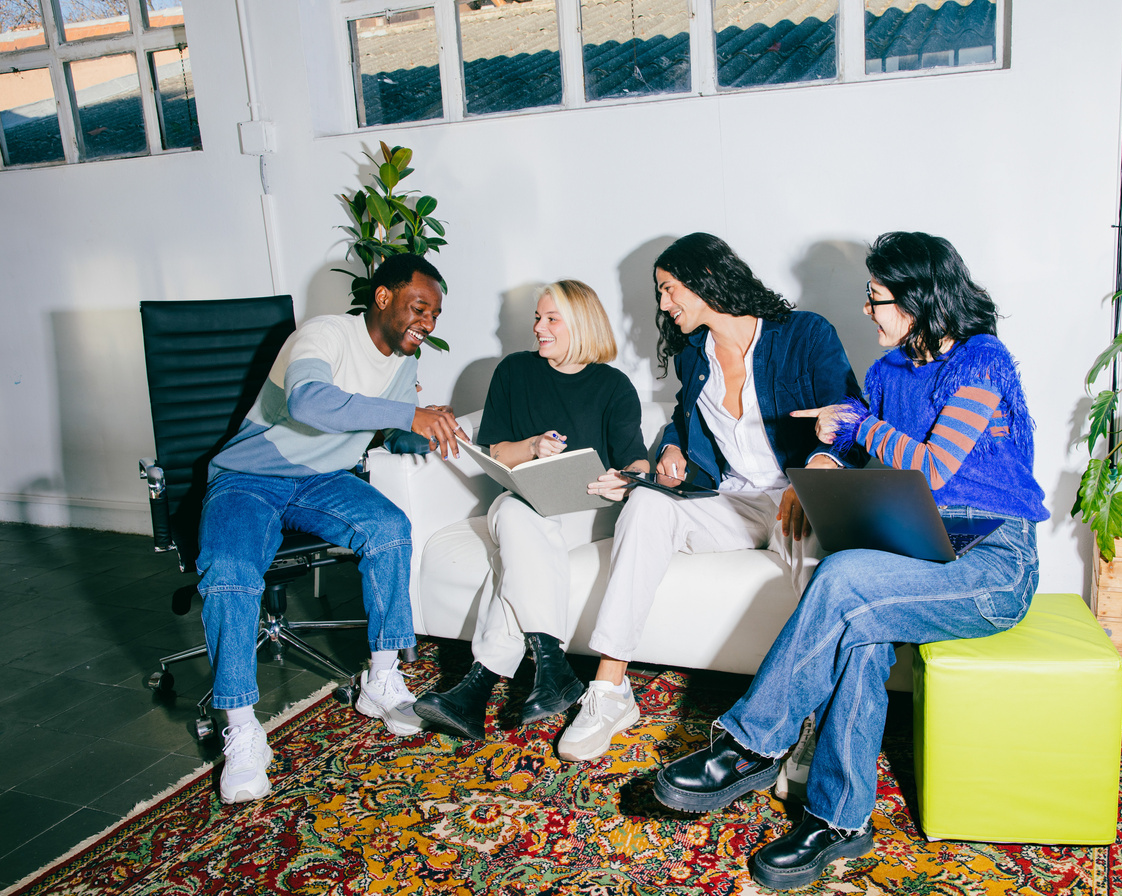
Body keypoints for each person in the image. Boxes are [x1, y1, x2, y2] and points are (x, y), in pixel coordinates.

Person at [653, 231, 1049, 891]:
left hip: (992, 565)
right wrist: (833, 455)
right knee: (859, 633)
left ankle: (752, 743)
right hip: (921, 544)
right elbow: (874, 455)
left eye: (878, 300)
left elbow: (933, 466)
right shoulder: (889, 372)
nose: (867, 312)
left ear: (920, 300)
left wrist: (857, 427)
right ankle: (837, 821)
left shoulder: (982, 362)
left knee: (843, 581)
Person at [555, 232, 862, 763]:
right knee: (646, 504)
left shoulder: (804, 335)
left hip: (799, 499)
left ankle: (809, 717)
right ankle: (609, 691)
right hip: (737, 502)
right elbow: (682, 417)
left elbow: (850, 414)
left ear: (708, 281)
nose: (663, 305)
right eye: (660, 293)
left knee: (820, 560)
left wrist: (815, 471)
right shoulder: (695, 354)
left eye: (669, 289)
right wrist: (672, 448)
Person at [197, 253, 468, 804]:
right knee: (229, 570)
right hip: (250, 478)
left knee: (389, 529)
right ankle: (242, 728)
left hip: (321, 480)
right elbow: (310, 401)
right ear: (383, 297)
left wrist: (426, 432)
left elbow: (379, 426)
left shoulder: (403, 360)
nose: (428, 324)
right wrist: (402, 417)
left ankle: (383, 679)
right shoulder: (323, 334)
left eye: (436, 315)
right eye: (420, 308)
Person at [413, 280, 650, 738]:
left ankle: (475, 690)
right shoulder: (514, 372)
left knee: (513, 549)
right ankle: (553, 665)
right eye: (537, 318)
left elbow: (635, 457)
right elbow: (495, 452)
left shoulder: (613, 386)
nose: (538, 328)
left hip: (587, 510)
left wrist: (629, 478)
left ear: (580, 324)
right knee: (517, 513)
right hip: (525, 500)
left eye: (550, 319)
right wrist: (533, 447)